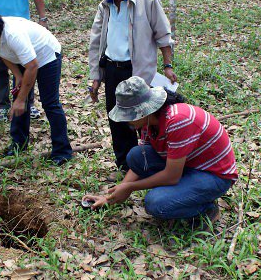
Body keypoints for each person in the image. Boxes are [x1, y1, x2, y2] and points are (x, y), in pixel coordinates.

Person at [83, 77, 237, 224]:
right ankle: (187, 191)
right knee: (136, 155)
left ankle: (206, 208)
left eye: (128, 115)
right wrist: (112, 196)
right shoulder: (148, 122)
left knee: (156, 203)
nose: (125, 120)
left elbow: (172, 176)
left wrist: (130, 187)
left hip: (214, 175)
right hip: (188, 164)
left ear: (143, 111)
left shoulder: (178, 121)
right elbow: (142, 160)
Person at [85, 0, 178, 176]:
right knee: (116, 117)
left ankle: (149, 163)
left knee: (143, 118)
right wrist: (96, 76)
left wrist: (167, 65)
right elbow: (96, 42)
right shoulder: (104, 6)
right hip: (112, 69)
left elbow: (163, 34)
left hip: (137, 70)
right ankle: (125, 166)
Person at [0, 5, 73, 165]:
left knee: (49, 103)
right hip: (25, 59)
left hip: (46, 55)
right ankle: (19, 144)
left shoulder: (12, 34)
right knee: (18, 95)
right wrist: (17, 75)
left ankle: (62, 151)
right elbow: (4, 53)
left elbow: (33, 66)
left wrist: (22, 99)